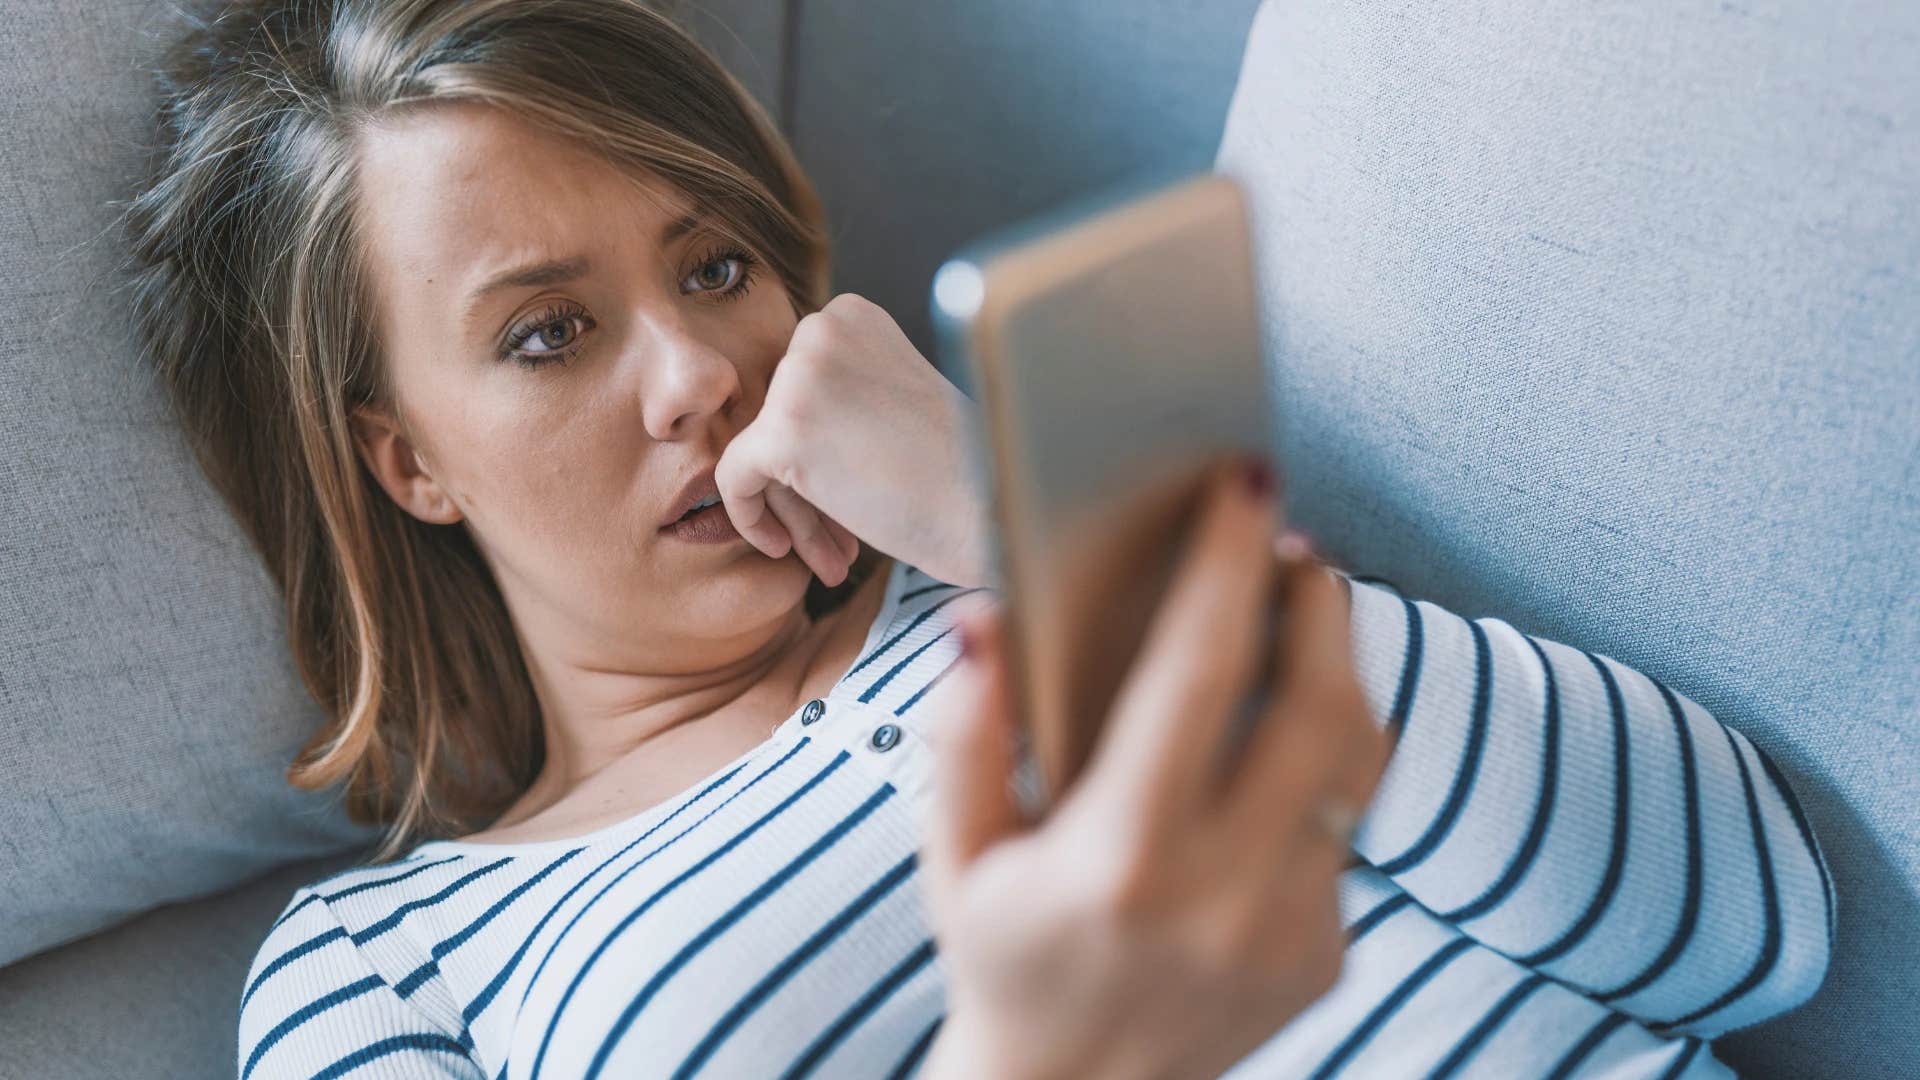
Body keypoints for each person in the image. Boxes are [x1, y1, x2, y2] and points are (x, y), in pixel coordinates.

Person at [116, 1, 1834, 1076]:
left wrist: (1024, 514)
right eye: (549, 333)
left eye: (717, 265)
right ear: (406, 457)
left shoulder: (1075, 557)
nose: (705, 371)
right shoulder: (386, 973)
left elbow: (1750, 916)